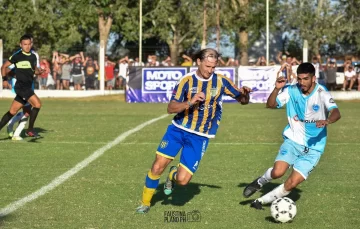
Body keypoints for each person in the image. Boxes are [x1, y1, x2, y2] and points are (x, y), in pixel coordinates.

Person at [136, 48, 252, 214]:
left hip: (200, 136)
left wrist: (245, 95)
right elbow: (170, 108)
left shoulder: (221, 81)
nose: (210, 70)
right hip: (178, 129)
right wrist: (190, 102)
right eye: (207, 66)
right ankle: (145, 203)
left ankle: (172, 175)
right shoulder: (186, 81)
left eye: (213, 67)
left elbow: (242, 100)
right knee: (156, 167)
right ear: (199, 62)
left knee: (182, 181)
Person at [242, 63, 341, 210]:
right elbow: (270, 104)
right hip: (293, 140)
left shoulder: (322, 92)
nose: (302, 82)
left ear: (313, 78)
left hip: (314, 148)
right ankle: (260, 181)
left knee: (292, 183)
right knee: (277, 172)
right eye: (299, 79)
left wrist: (327, 121)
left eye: (305, 79)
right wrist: (277, 88)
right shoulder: (292, 90)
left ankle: (260, 202)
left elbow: (336, 112)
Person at [0, 35, 44, 137]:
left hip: (27, 87)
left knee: (12, 111)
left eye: (29, 44)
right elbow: (4, 67)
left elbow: (34, 70)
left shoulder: (33, 57)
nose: (27, 46)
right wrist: (4, 79)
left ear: (31, 44)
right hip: (21, 87)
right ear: (21, 45)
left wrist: (39, 71)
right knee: (37, 104)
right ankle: (30, 129)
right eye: (25, 44)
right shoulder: (17, 56)